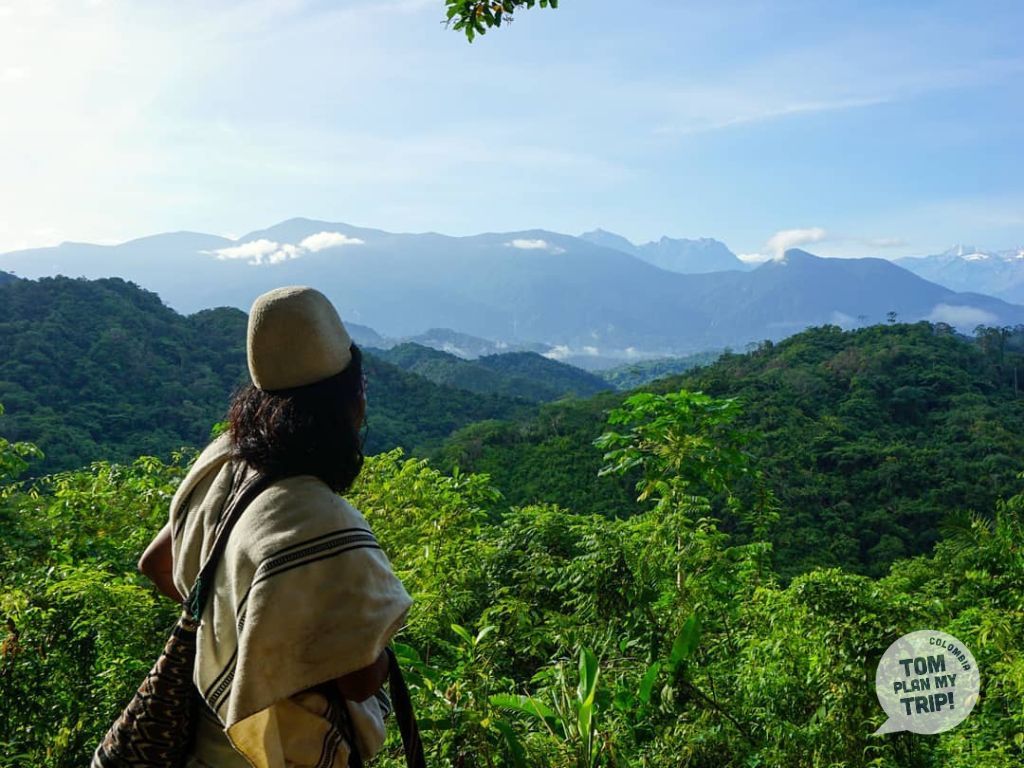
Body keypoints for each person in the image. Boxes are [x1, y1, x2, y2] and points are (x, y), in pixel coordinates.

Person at [137, 285, 413, 768]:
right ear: (350, 402)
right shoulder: (320, 519)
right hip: (280, 754)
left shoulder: (223, 461)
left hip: (203, 743)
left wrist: (241, 636)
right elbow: (359, 678)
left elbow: (158, 564)